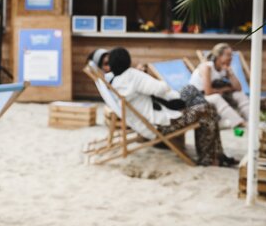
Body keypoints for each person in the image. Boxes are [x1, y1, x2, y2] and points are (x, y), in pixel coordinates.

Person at [106, 47, 236, 167]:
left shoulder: (115, 81)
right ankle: (209, 159)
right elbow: (160, 88)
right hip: (163, 126)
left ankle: (215, 156)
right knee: (207, 109)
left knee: (205, 107)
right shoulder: (131, 75)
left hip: (150, 125)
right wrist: (155, 80)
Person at [185, 43, 249, 130]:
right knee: (216, 97)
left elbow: (238, 88)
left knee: (239, 94)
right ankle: (239, 122)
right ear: (219, 56)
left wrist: (230, 72)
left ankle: (253, 119)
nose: (231, 58)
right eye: (228, 55)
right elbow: (208, 91)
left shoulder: (224, 69)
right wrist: (226, 89)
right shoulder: (207, 67)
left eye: (231, 55)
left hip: (213, 95)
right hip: (197, 98)